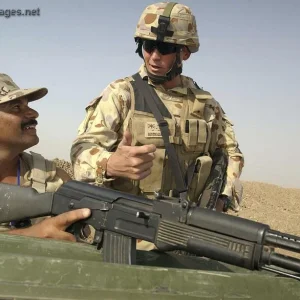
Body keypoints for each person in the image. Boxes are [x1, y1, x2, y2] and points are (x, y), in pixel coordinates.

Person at [71, 2, 244, 215]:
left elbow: (230, 154)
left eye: (165, 48)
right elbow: (80, 152)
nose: (154, 56)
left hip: (186, 227)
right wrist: (108, 164)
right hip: (130, 225)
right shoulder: (122, 94)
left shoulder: (206, 105)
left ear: (185, 53)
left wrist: (221, 200)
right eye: (148, 46)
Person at [0, 73, 90, 241]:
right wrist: (29, 235)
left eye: (28, 105)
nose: (34, 113)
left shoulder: (54, 177)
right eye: (16, 107)